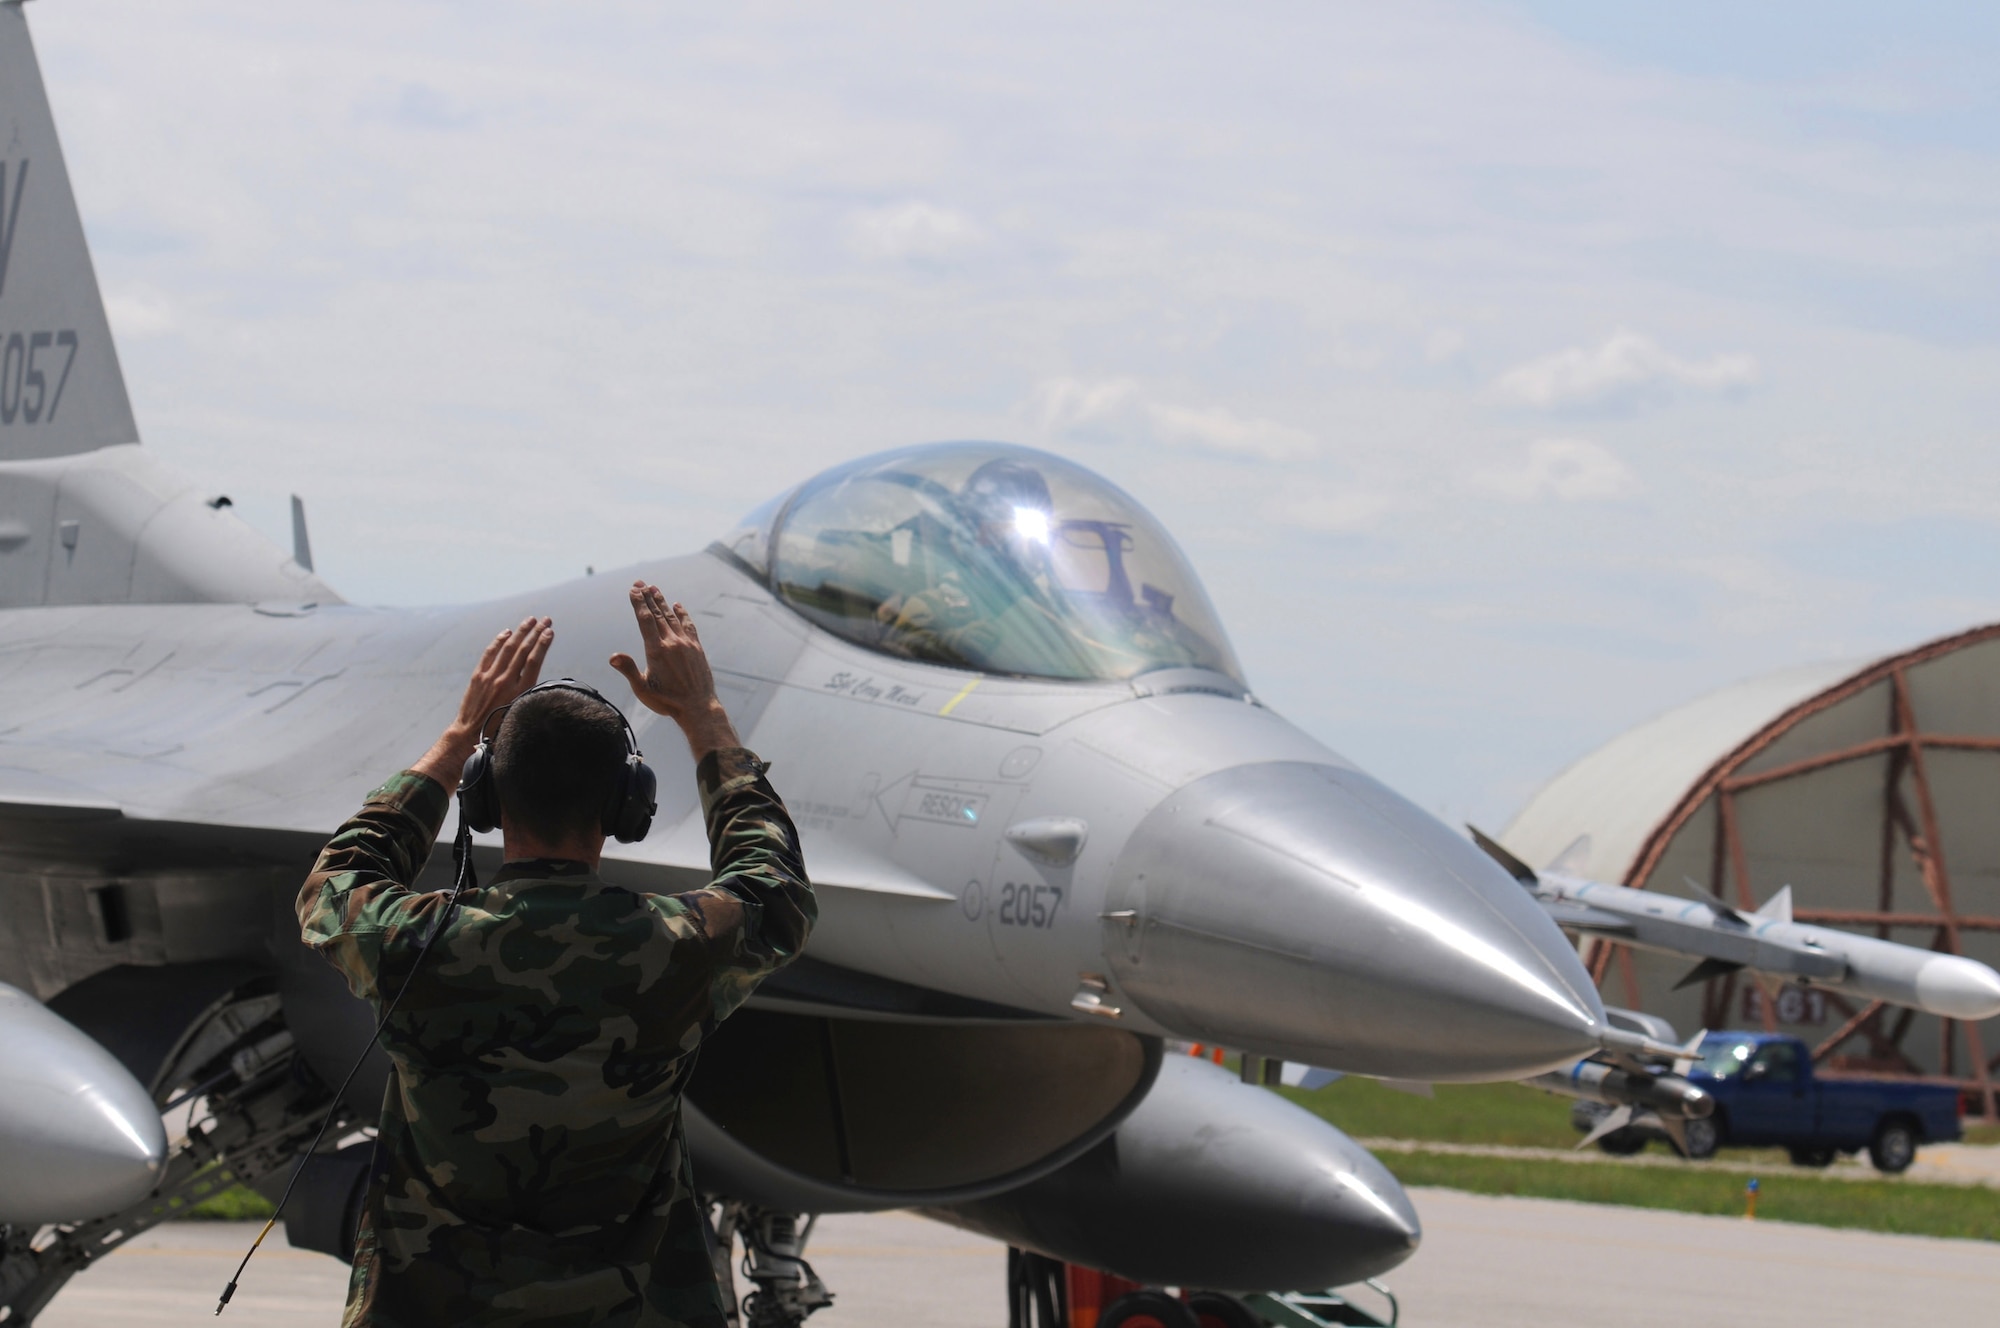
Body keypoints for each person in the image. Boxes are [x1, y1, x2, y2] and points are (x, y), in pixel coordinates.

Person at [296, 582, 814, 1327]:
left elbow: (334, 882)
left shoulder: (415, 943)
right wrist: (703, 717)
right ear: (624, 808)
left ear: (486, 799)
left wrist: (459, 737)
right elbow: (776, 888)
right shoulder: (674, 948)